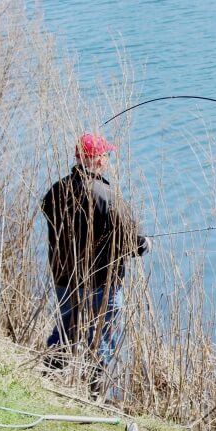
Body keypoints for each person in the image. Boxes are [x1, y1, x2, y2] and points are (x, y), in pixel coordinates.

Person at [42, 132, 150, 388]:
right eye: (106, 155)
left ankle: (48, 380)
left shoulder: (56, 190)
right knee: (102, 337)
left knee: (66, 331)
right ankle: (94, 391)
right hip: (102, 282)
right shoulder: (108, 197)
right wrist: (144, 244)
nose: (108, 160)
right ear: (99, 160)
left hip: (64, 278)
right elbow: (131, 243)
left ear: (78, 158)